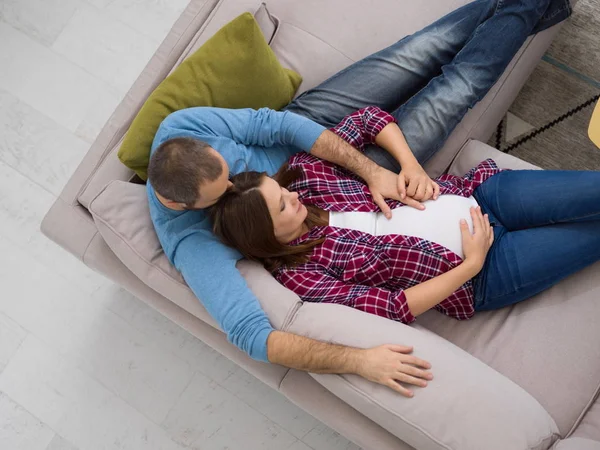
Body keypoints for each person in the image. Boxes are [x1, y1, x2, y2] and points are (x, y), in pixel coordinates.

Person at [146, 0, 571, 397]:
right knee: (455, 88)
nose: (237, 182)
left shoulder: (183, 129)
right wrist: (358, 361)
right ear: (187, 207)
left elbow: (272, 125)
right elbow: (252, 335)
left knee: (420, 51)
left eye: (228, 169)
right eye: (222, 193)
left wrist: (376, 173)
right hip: (335, 186)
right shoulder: (189, 243)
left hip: (308, 130)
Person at [211, 105, 600, 336]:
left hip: (479, 195)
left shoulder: (304, 175)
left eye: (281, 190)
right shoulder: (299, 275)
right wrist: (473, 264)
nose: (293, 197)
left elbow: (367, 120)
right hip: (487, 273)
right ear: (266, 237)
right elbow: (392, 307)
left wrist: (410, 166)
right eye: (282, 207)